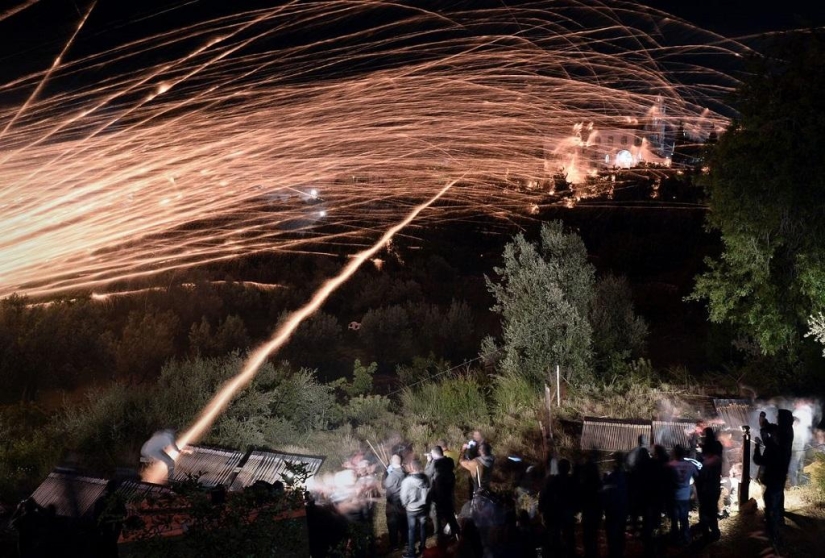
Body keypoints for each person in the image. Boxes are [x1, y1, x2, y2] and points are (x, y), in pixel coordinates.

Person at [539, 458, 578, 558]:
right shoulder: (571, 481)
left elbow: (543, 495)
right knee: (567, 539)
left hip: (554, 515)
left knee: (555, 539)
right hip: (564, 515)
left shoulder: (552, 481)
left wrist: (542, 508)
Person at [428, 446, 461, 548]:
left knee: (436, 516)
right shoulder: (449, 461)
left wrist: (429, 461)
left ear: (434, 454)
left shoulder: (434, 463)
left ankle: (439, 538)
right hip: (448, 493)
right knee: (450, 515)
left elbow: (427, 473)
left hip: (438, 495)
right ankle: (458, 536)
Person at [667, 444, 699, 547]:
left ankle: (675, 539)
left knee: (674, 519)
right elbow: (697, 477)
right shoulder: (690, 465)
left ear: (675, 453)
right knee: (684, 519)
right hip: (685, 496)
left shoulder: (670, 465)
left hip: (673, 496)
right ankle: (686, 538)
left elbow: (665, 481)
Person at [400, 459, 431, 558]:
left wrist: (405, 504)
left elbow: (403, 496)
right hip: (423, 508)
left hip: (412, 509)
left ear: (412, 467)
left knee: (412, 530)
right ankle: (422, 548)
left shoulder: (407, 481)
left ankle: (412, 553)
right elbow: (429, 490)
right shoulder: (426, 477)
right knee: (423, 528)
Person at [696, 429, 722, 542]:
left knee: (705, 510)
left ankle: (707, 533)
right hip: (714, 487)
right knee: (711, 510)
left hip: (708, 488)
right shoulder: (717, 454)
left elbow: (702, 474)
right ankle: (714, 532)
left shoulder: (709, 462)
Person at [384, 454, 407, 551]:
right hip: (404, 502)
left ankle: (394, 545)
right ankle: (405, 541)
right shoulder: (405, 472)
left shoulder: (392, 475)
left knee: (393, 524)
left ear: (392, 462)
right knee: (403, 522)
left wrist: (387, 474)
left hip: (393, 503)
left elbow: (385, 485)